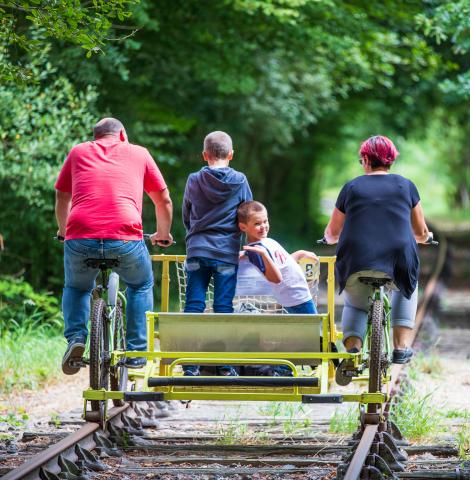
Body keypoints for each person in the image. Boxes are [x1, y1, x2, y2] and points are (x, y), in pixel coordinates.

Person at [55, 117, 173, 374]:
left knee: (76, 287)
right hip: (125, 238)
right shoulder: (139, 153)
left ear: (96, 135)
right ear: (122, 135)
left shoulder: (78, 152)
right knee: (141, 284)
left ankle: (76, 338)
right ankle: (136, 352)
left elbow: (63, 195)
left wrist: (64, 232)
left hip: (80, 236)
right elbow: (163, 199)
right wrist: (163, 234)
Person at [323, 135, 430, 381]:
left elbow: (332, 233)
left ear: (365, 159)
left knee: (355, 304)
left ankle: (352, 352)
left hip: (356, 258)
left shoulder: (351, 187)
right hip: (397, 258)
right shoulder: (406, 186)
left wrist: (328, 239)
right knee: (406, 287)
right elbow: (421, 232)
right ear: (391, 160)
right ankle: (401, 348)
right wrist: (425, 237)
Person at [182, 131, 252, 376]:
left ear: (205, 155)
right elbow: (248, 215)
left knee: (193, 306)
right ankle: (224, 365)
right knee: (223, 307)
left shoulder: (193, 180)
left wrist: (195, 237)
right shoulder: (240, 180)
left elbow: (186, 214)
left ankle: (190, 366)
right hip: (226, 252)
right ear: (231, 155)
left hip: (197, 250)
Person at [237, 201, 318, 314]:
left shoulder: (266, 241)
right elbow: (276, 278)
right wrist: (264, 255)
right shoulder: (256, 252)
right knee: (312, 330)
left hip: (300, 295)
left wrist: (299, 254)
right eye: (257, 224)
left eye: (265, 221)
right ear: (243, 227)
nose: (263, 227)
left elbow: (282, 263)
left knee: (308, 330)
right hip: (296, 298)